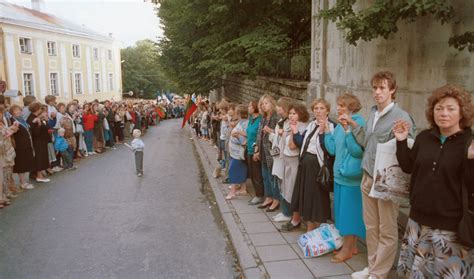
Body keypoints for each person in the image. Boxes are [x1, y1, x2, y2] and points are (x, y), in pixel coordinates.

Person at [394, 85, 473, 278]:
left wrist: (471, 161)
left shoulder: (469, 142)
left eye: (450, 108)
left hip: (450, 227)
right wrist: (401, 141)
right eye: (439, 108)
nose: (443, 113)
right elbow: (408, 167)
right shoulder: (424, 137)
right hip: (417, 221)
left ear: (462, 112)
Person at [347, 71, 416, 279]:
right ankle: (372, 266)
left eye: (382, 88)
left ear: (392, 90)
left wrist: (401, 138)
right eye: (375, 88)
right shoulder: (373, 112)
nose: (377, 92)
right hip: (368, 176)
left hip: (386, 181)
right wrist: (352, 126)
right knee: (371, 226)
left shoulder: (401, 117)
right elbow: (367, 142)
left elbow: (408, 148)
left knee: (387, 229)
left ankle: (379, 273)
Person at [323, 93, 366, 263]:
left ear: (352, 106)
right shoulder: (340, 124)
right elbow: (332, 150)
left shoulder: (359, 122)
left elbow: (357, 151)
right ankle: (352, 246)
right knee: (343, 214)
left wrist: (348, 130)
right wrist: (327, 133)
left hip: (351, 177)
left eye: (342, 105)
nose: (338, 108)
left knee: (349, 215)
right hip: (340, 175)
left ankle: (347, 250)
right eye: (338, 105)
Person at [286, 99, 334, 232]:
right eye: (316, 108)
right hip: (305, 164)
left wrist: (323, 132)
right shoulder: (312, 125)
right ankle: (310, 226)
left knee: (316, 198)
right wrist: (295, 131)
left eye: (322, 108)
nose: (318, 111)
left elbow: (330, 149)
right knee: (307, 196)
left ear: (327, 111)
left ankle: (315, 227)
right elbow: (303, 144)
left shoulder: (331, 126)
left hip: (317, 166)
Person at [274, 103, 309, 223]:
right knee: (285, 187)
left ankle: (293, 216)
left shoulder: (302, 127)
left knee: (292, 188)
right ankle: (286, 212)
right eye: (290, 113)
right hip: (286, 159)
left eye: (294, 113)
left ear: (301, 114)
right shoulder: (290, 126)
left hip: (294, 161)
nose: (291, 116)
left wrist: (290, 132)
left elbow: (293, 145)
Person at [268, 97, 294, 221]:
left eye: (278, 106)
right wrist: (272, 134)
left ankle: (287, 213)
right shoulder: (280, 122)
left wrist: (277, 134)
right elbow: (277, 139)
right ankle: (284, 211)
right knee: (280, 184)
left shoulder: (289, 123)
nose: (276, 108)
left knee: (285, 186)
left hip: (285, 158)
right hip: (278, 157)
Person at [254, 94, 280, 212]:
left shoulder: (276, 118)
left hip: (272, 153)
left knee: (272, 177)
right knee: (265, 176)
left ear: (272, 104)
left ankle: (276, 199)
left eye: (266, 103)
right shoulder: (263, 118)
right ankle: (269, 197)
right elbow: (258, 135)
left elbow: (279, 136)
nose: (264, 106)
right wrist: (257, 150)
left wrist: (270, 131)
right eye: (262, 104)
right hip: (263, 151)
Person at [226, 105, 249, 200]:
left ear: (238, 113)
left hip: (238, 153)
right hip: (236, 152)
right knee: (242, 169)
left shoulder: (244, 124)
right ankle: (243, 188)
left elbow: (243, 141)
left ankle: (233, 192)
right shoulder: (242, 122)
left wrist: (236, 137)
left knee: (233, 170)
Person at [10, 104, 35, 189]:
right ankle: (23, 182)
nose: (18, 112)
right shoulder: (12, 120)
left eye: (19, 110)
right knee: (21, 165)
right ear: (12, 112)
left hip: (26, 145)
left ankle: (24, 181)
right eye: (16, 110)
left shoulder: (22, 119)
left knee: (25, 163)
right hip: (19, 146)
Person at [27, 102, 51, 183]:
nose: (41, 110)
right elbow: (35, 133)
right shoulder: (31, 118)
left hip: (42, 141)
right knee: (39, 158)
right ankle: (39, 176)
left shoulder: (36, 117)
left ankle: (37, 174)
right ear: (37, 109)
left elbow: (46, 128)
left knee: (42, 157)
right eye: (40, 108)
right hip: (37, 142)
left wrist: (44, 120)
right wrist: (39, 124)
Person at [246, 100, 264, 205]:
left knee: (257, 174)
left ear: (255, 107)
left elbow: (259, 136)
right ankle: (257, 193)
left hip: (255, 150)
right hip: (248, 149)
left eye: (250, 106)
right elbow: (249, 132)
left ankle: (260, 195)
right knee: (252, 174)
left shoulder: (260, 120)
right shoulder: (251, 119)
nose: (248, 108)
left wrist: (256, 149)